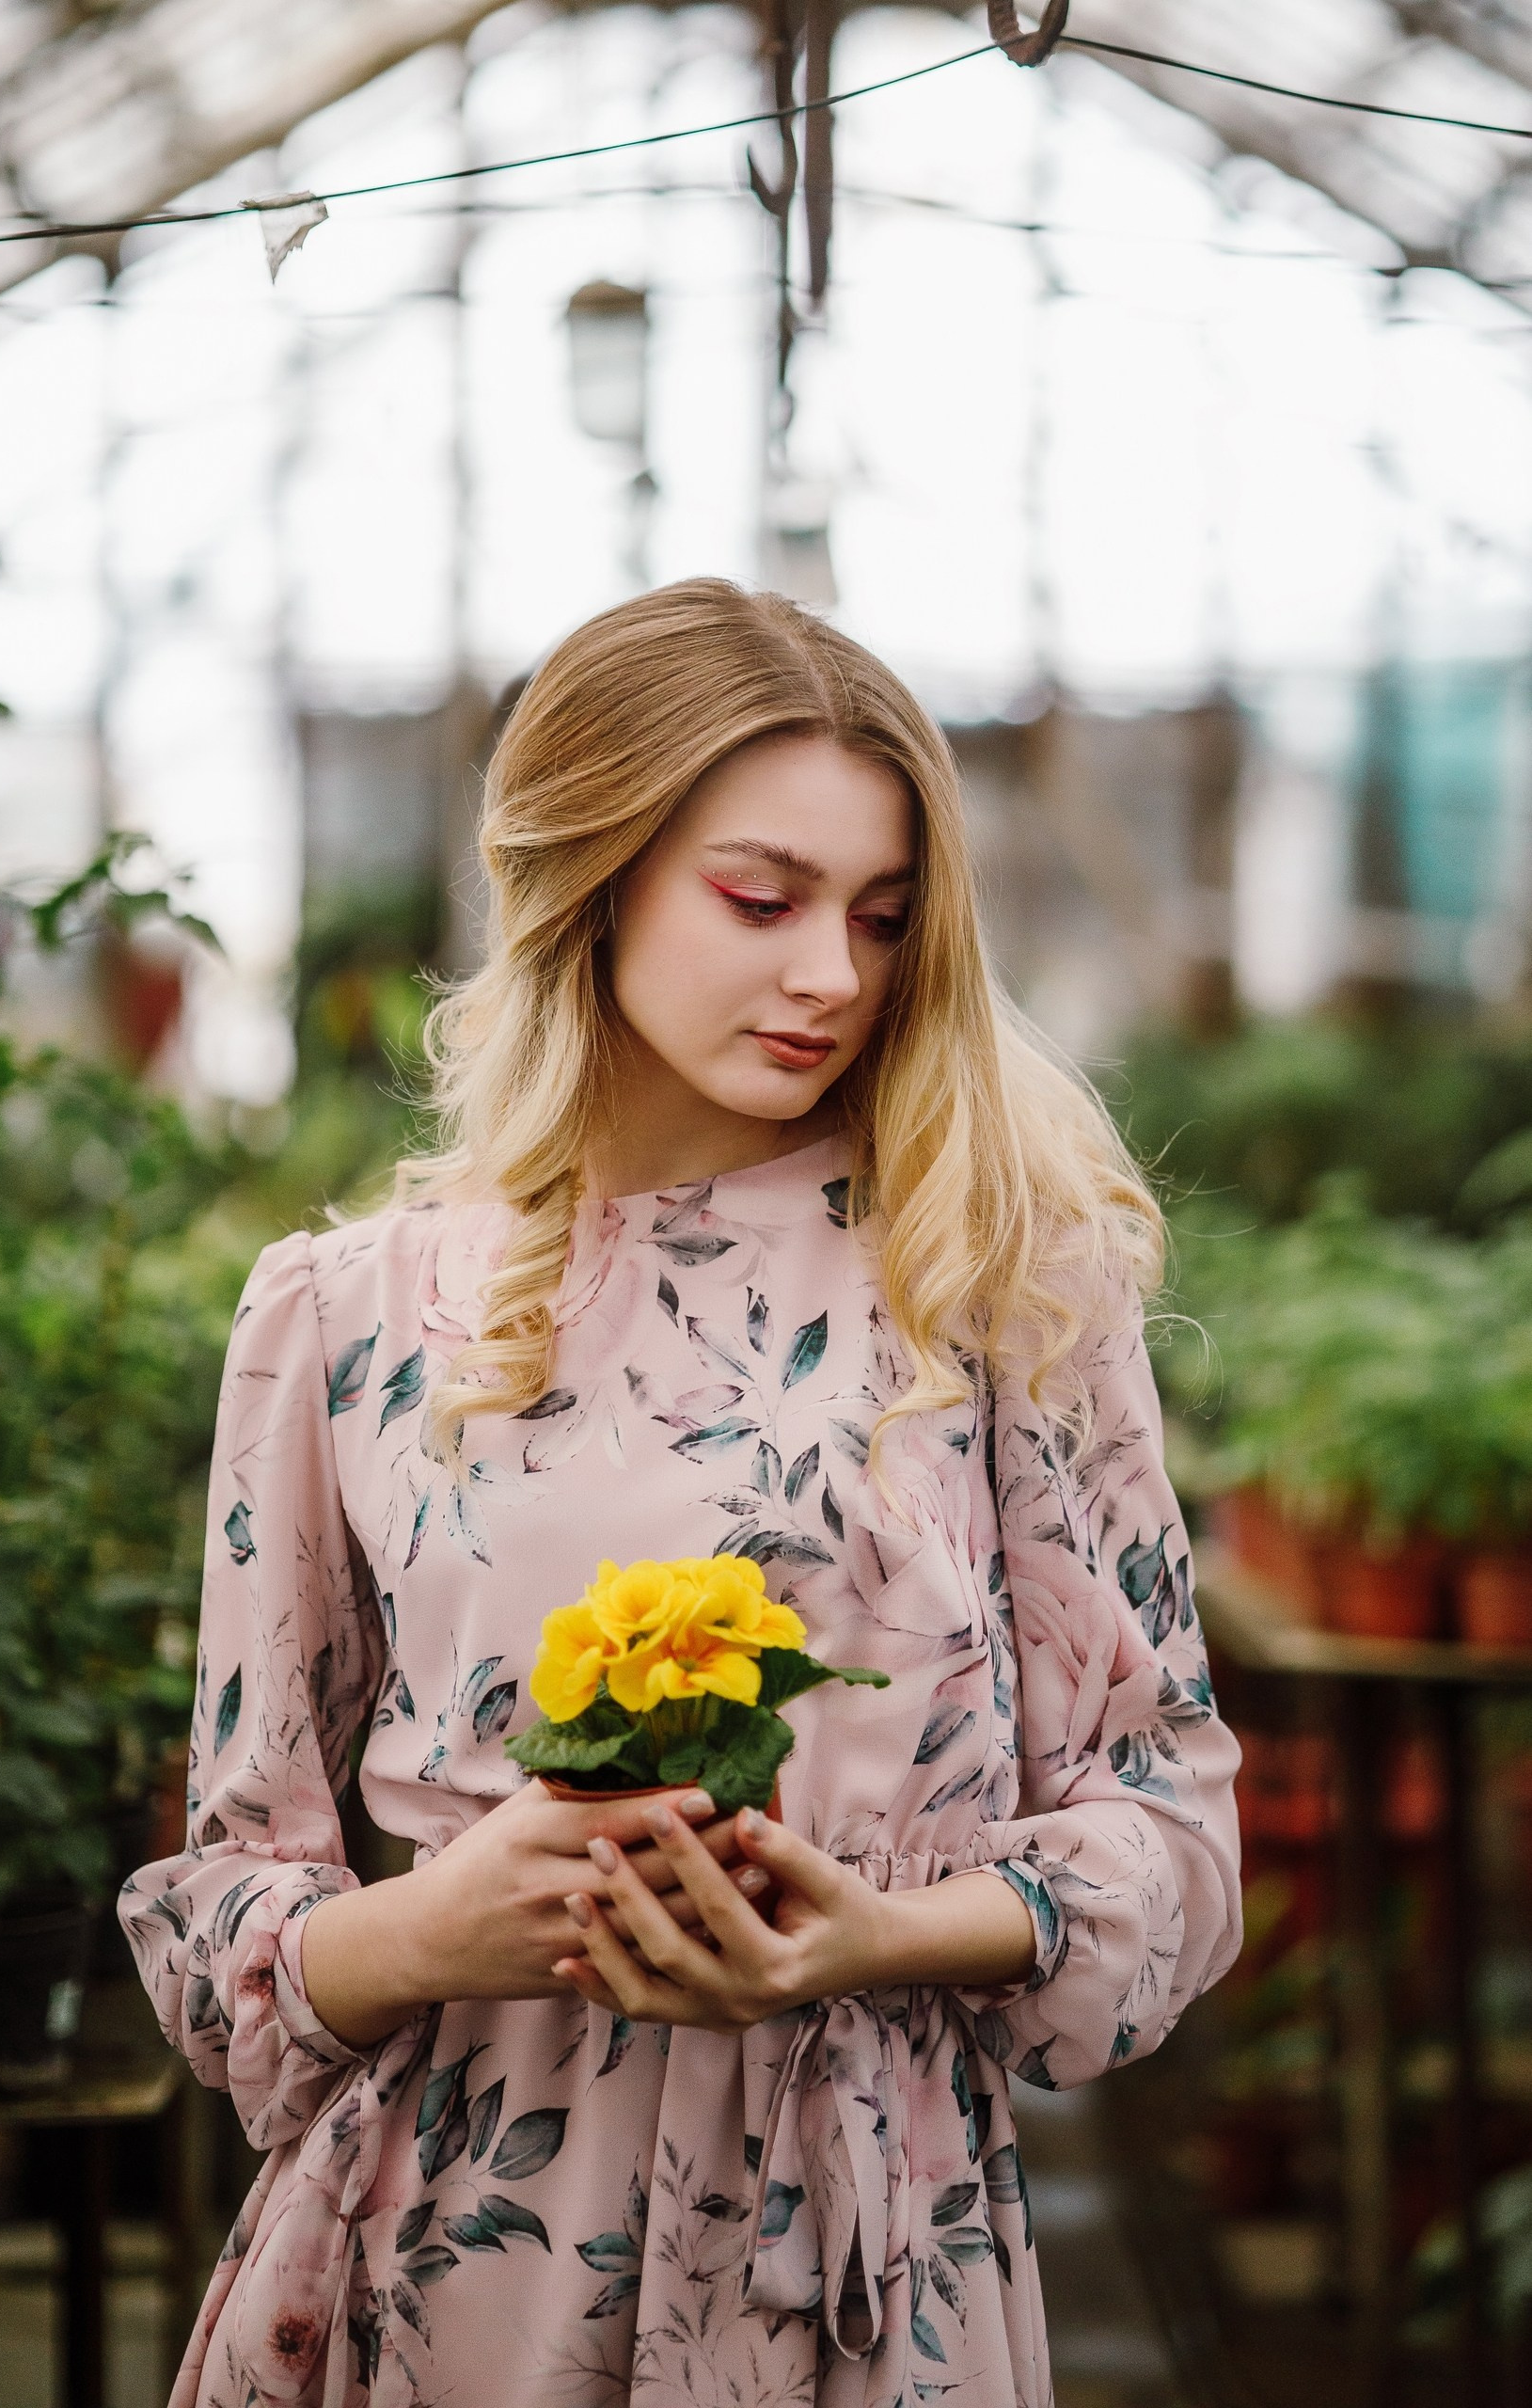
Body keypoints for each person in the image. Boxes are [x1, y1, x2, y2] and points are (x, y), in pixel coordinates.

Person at [121, 578, 1241, 2408]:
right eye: (760, 897)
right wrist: (431, 1921)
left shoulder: (990, 1274)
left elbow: (1169, 1824)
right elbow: (236, 1885)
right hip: (450, 2242)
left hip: (861, 2246)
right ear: (592, 871)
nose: (835, 975)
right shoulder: (343, 1315)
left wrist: (881, 1930)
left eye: (881, 918)